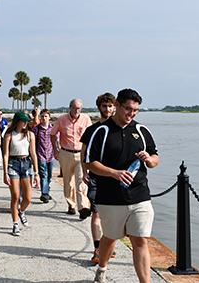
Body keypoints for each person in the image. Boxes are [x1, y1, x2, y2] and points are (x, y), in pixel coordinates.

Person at [84, 89, 159, 283]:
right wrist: (114, 173)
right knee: (109, 237)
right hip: (110, 197)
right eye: (127, 109)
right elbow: (88, 163)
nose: (131, 114)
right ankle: (102, 268)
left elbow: (155, 156)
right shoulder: (101, 131)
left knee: (140, 240)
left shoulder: (142, 131)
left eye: (135, 110)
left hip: (140, 194)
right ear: (117, 105)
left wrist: (149, 160)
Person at [79, 92, 116, 263]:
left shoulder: (118, 128)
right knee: (96, 214)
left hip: (115, 178)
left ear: (115, 107)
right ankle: (97, 248)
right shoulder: (92, 129)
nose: (107, 109)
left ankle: (108, 246)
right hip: (95, 177)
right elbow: (84, 152)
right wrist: (85, 172)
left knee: (113, 215)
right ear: (99, 107)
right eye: (104, 106)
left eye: (110, 106)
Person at [50, 98, 92, 219]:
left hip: (81, 154)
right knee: (68, 182)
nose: (76, 110)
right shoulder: (62, 119)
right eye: (74, 108)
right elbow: (52, 134)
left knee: (81, 181)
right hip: (66, 153)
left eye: (79, 108)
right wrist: (55, 150)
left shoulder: (86, 119)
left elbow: (90, 136)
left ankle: (83, 207)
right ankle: (71, 204)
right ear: (70, 107)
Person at [3, 111, 40, 236]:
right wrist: (5, 173)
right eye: (23, 121)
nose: (25, 123)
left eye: (26, 121)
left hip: (27, 164)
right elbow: (5, 155)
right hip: (13, 164)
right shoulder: (9, 135)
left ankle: (21, 211)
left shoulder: (30, 135)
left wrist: (36, 173)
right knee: (15, 196)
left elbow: (33, 154)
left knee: (28, 198)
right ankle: (15, 224)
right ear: (17, 121)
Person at [32, 109, 55, 203]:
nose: (44, 118)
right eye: (42, 116)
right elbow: (33, 142)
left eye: (46, 116)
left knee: (49, 176)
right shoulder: (36, 129)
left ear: (49, 117)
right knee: (43, 174)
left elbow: (57, 140)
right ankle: (44, 193)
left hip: (51, 155)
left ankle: (47, 192)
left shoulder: (53, 128)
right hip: (40, 154)